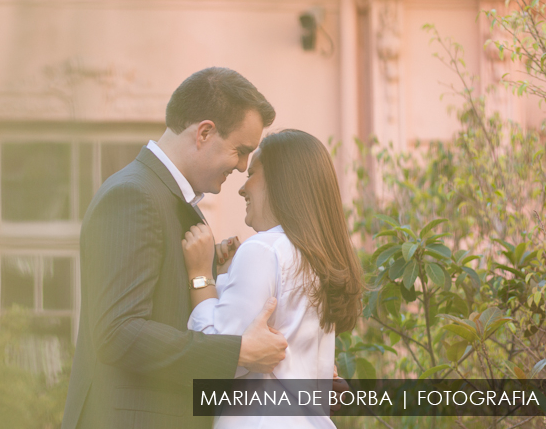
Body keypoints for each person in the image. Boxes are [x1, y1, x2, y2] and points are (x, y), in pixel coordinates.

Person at [61, 68, 288, 429]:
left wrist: (209, 268)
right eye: (240, 151)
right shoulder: (132, 195)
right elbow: (118, 331)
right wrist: (238, 352)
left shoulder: (171, 202)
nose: (243, 167)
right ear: (204, 132)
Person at [182, 129, 365, 428]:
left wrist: (200, 274)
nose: (242, 188)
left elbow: (215, 358)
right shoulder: (317, 258)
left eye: (252, 172)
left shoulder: (263, 250)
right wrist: (228, 279)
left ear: (280, 180)